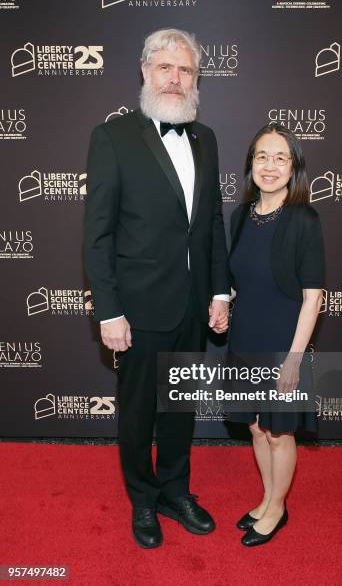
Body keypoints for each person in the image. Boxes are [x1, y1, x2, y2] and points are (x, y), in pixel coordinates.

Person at [83, 28, 230, 549]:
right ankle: (142, 500)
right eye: (166, 67)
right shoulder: (113, 137)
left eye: (186, 70)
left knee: (179, 408)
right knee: (139, 412)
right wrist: (108, 312)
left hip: (193, 304)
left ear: (195, 80)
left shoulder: (206, 137)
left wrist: (220, 292)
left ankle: (174, 491)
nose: (175, 78)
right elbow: (97, 235)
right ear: (145, 71)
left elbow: (211, 222)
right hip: (138, 308)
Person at [228, 123, 325, 547]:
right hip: (246, 336)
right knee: (255, 428)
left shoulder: (304, 219)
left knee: (279, 431)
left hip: (283, 342)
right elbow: (239, 280)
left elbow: (313, 297)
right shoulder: (239, 216)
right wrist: (220, 305)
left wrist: (293, 358)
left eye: (280, 157)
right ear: (251, 164)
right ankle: (267, 500)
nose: (270, 166)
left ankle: (278, 508)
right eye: (262, 156)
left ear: (294, 167)